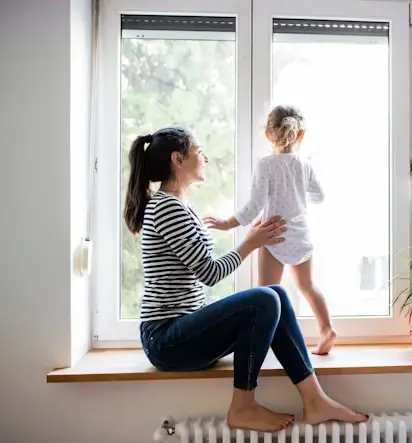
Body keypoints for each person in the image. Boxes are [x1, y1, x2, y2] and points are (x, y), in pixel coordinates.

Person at [123, 126, 368, 433]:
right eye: (199, 151)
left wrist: (252, 237)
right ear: (178, 159)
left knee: (276, 293)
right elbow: (209, 272)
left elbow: (200, 266)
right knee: (265, 298)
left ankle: (314, 399)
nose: (205, 157)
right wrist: (251, 242)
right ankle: (243, 406)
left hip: (182, 331)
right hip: (165, 340)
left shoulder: (181, 206)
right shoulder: (168, 208)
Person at [205, 105, 336, 355]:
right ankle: (327, 329)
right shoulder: (304, 165)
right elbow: (319, 196)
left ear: (268, 134)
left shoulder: (266, 165)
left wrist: (226, 223)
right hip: (301, 234)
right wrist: (297, 195)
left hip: (273, 235)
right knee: (307, 286)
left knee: (266, 295)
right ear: (301, 135)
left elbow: (254, 206)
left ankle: (265, 343)